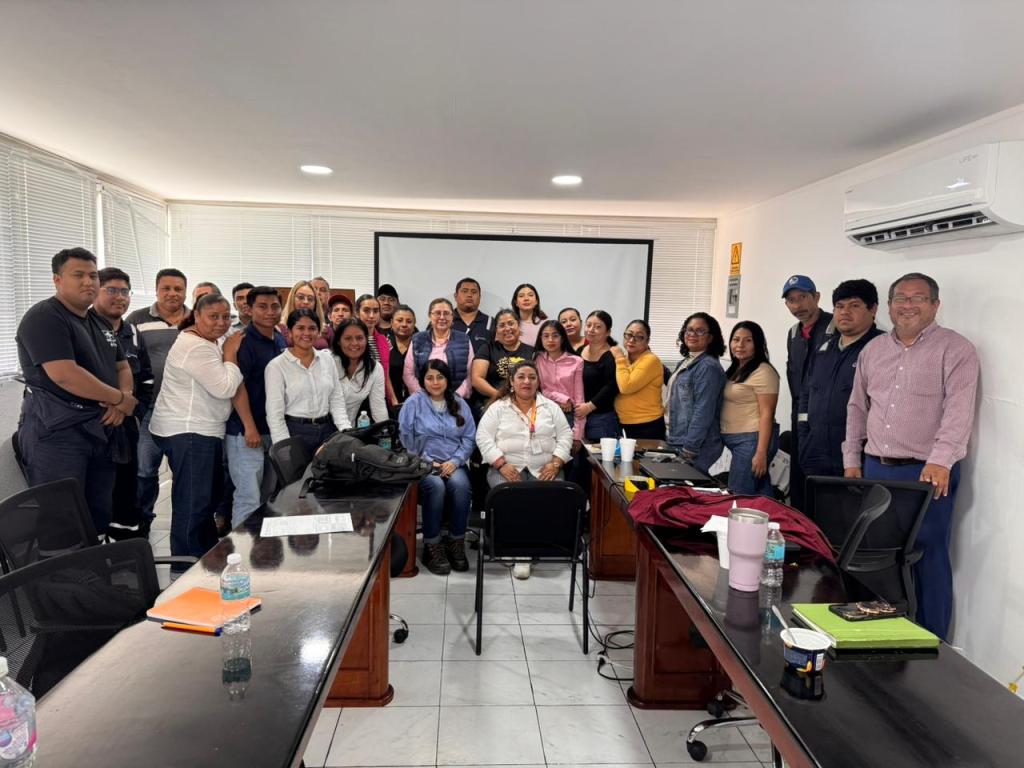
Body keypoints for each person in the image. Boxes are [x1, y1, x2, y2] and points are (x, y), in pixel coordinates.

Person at [842, 273, 979, 640]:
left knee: (927, 556)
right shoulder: (873, 350)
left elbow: (959, 411)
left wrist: (941, 460)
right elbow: (857, 407)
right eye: (900, 298)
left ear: (935, 305)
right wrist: (851, 460)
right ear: (889, 307)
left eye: (918, 298)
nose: (908, 305)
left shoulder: (956, 349)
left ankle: (933, 642)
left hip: (926, 473)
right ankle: (881, 637)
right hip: (875, 469)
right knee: (877, 558)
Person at [16, 248, 136, 534]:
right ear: (57, 279)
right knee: (61, 517)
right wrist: (119, 399)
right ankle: (62, 566)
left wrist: (120, 404)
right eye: (78, 275)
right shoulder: (45, 317)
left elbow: (122, 367)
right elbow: (65, 375)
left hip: (100, 427)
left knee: (97, 511)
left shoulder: (98, 321)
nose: (88, 282)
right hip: (58, 433)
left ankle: (95, 562)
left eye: (93, 276)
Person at [150, 293, 242, 559]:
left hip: (201, 430)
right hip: (189, 431)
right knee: (193, 503)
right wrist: (231, 354)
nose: (221, 323)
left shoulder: (206, 340)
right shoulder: (196, 346)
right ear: (197, 316)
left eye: (226, 317)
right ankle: (184, 565)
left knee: (205, 500)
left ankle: (205, 559)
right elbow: (225, 387)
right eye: (213, 316)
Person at [476, 360, 572, 579]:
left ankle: (534, 547)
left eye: (532, 377)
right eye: (521, 377)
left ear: (538, 382)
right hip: (506, 467)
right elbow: (483, 437)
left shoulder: (550, 407)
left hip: (545, 468)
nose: (526, 381)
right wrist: (501, 463)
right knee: (510, 498)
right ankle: (517, 550)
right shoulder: (498, 408)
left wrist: (556, 462)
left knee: (549, 497)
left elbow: (566, 435)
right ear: (511, 381)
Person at [798, 280, 883, 479]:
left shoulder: (882, 348)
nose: (845, 312)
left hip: (858, 461)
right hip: (815, 454)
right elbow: (806, 396)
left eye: (854, 306)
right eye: (839, 306)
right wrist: (804, 437)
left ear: (873, 310)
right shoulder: (823, 350)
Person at [398, 360, 476, 575]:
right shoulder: (413, 403)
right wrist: (426, 461)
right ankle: (432, 545)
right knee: (436, 486)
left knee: (461, 486)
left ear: (447, 379)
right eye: (430, 378)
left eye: (440, 377)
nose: (435, 382)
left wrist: (455, 461)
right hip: (424, 464)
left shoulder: (459, 403)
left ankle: (456, 542)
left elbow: (469, 438)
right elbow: (405, 439)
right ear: (422, 381)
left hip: (453, 463)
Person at [126, 267, 190, 530]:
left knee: (184, 473)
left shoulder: (195, 319)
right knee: (144, 470)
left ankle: (184, 526)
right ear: (156, 290)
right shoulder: (137, 319)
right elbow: (124, 360)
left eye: (178, 289)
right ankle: (142, 522)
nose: (172, 293)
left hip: (185, 409)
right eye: (166, 288)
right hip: (149, 408)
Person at [90, 267, 150, 538]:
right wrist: (112, 407)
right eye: (112, 290)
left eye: (125, 291)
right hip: (93, 427)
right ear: (95, 292)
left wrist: (132, 412)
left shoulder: (132, 333)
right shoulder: (82, 327)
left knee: (126, 493)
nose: (120, 297)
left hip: (125, 427)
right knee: (95, 497)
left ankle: (125, 552)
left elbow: (146, 379)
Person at [222, 286, 287, 528]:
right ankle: (242, 548)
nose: (270, 312)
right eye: (262, 306)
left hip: (272, 429)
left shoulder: (280, 338)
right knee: (248, 497)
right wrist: (249, 427)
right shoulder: (243, 342)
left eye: (274, 306)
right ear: (249, 309)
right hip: (245, 432)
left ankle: (262, 547)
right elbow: (237, 387)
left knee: (268, 497)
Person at [265, 309, 351, 457]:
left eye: (312, 328)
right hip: (295, 432)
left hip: (328, 431)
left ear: (318, 332)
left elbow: (336, 399)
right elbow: (275, 415)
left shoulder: (327, 359)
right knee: (299, 473)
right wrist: (284, 450)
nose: (306, 333)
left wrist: (346, 430)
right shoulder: (276, 366)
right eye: (300, 328)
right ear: (290, 332)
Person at [782, 274, 834, 511]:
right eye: (791, 300)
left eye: (803, 297)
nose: (797, 305)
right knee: (799, 478)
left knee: (822, 487)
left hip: (825, 418)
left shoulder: (835, 327)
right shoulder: (793, 333)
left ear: (817, 297)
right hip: (799, 415)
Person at [721, 321, 780, 496]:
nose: (740, 345)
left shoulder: (764, 371)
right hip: (740, 440)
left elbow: (767, 413)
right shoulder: (736, 368)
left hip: (752, 441)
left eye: (748, 340)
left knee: (739, 495)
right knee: (759, 492)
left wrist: (761, 453)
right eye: (736, 339)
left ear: (758, 344)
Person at [666, 312, 726, 473]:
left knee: (685, 486)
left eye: (700, 331)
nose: (692, 334)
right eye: (689, 330)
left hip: (695, 445)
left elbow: (703, 411)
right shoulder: (686, 361)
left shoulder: (708, 367)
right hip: (678, 438)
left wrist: (690, 448)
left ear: (710, 338)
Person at [404, 298, 474, 400]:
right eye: (437, 313)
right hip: (423, 400)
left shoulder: (464, 339)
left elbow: (471, 373)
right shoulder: (418, 339)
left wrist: (456, 397)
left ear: (452, 317)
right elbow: (408, 372)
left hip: (456, 400)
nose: (442, 317)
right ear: (430, 316)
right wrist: (424, 397)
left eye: (446, 313)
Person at [471, 308, 535, 416]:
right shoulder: (487, 348)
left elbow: (536, 380)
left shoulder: (531, 351)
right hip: (493, 401)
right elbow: (477, 379)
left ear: (518, 326)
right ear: (496, 330)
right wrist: (500, 396)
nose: (507, 328)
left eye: (511, 323)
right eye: (502, 325)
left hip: (524, 402)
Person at [534, 320, 585, 448]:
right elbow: (540, 390)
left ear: (562, 338)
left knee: (568, 456)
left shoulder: (576, 361)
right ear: (541, 339)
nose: (550, 340)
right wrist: (562, 398)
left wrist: (578, 435)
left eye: (555, 335)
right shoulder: (537, 359)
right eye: (546, 336)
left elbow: (579, 399)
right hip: (543, 413)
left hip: (568, 414)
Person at [612, 319, 665, 439]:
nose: (632, 340)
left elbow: (626, 387)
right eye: (629, 335)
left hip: (647, 425)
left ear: (647, 341)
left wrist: (619, 358)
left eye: (639, 337)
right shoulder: (625, 359)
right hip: (622, 423)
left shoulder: (651, 360)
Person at [332, 318, 388, 424]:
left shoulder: (375, 368)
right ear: (339, 341)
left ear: (366, 340)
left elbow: (379, 408)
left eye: (359, 338)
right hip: (320, 427)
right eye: (348, 338)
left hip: (348, 429)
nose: (354, 343)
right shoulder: (329, 362)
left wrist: (386, 431)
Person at [575, 310, 620, 441]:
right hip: (580, 415)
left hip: (602, 419)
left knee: (600, 454)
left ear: (608, 332)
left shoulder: (612, 355)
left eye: (598, 327)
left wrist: (589, 407)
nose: (591, 330)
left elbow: (612, 386)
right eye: (588, 325)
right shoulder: (580, 351)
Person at [355, 293, 397, 406]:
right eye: (366, 311)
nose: (371, 315)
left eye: (375, 311)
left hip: (379, 397)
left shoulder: (384, 340)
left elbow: (386, 375)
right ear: (357, 313)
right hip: (356, 398)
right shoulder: (351, 340)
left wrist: (393, 399)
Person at [281, 281, 331, 350]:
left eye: (310, 299)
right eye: (301, 297)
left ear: (315, 303)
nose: (306, 302)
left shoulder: (325, 329)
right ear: (292, 299)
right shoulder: (279, 328)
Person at [451, 277, 493, 351]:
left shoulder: (490, 322)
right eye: (465, 291)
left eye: (474, 292)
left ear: (479, 297)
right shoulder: (443, 321)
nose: (469, 295)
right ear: (455, 296)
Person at [388, 304, 416, 407]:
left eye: (409, 321)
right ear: (391, 322)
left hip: (416, 401)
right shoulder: (384, 344)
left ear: (414, 324)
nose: (404, 324)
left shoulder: (420, 345)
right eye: (399, 320)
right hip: (389, 402)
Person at [511, 283, 547, 347]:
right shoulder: (510, 325)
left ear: (536, 301)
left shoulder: (545, 324)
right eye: (521, 296)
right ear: (516, 302)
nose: (526, 299)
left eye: (530, 295)